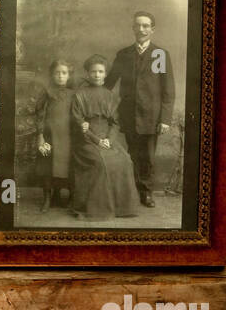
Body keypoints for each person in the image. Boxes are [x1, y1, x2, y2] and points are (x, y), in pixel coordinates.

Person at [105, 12, 175, 208]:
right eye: (138, 25)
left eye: (146, 26)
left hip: (151, 117)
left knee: (148, 157)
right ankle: (132, 191)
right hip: (128, 115)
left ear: (152, 29)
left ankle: (146, 192)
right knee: (132, 155)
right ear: (133, 28)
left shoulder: (159, 55)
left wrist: (165, 119)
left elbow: (168, 90)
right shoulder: (124, 54)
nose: (142, 29)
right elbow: (109, 83)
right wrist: (90, 92)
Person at [71, 55, 140, 220]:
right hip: (86, 140)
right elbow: (78, 121)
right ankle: (99, 209)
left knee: (125, 160)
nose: (96, 74)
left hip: (107, 138)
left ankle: (121, 208)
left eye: (100, 71)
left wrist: (109, 139)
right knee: (101, 162)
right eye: (93, 71)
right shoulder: (79, 95)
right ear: (88, 73)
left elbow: (115, 123)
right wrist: (97, 140)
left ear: (105, 74)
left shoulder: (110, 96)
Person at [35, 59, 74, 211]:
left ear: (69, 75)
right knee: (47, 166)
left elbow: (78, 115)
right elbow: (40, 114)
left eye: (64, 73)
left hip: (68, 136)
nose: (60, 76)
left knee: (67, 166)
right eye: (57, 73)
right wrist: (40, 136)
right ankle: (47, 198)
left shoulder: (74, 93)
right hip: (50, 135)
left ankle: (67, 197)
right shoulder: (47, 92)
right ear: (52, 74)